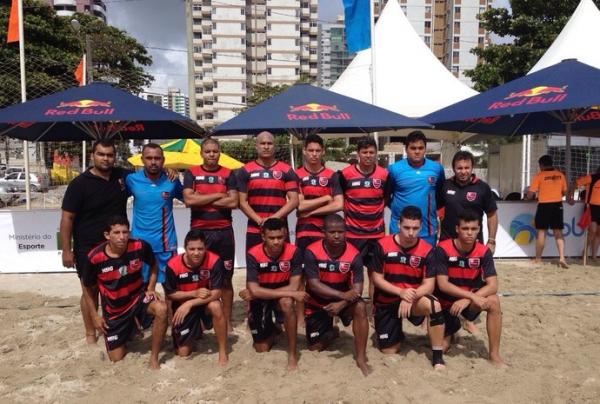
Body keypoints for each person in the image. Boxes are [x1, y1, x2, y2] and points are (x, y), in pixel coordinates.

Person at [60, 139, 131, 344]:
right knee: (90, 291)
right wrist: (66, 250)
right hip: (88, 247)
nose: (106, 158)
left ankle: (122, 327)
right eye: (101, 154)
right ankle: (90, 333)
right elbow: (67, 218)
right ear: (92, 156)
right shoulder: (79, 184)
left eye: (110, 155)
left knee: (119, 287)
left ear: (114, 156)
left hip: (117, 245)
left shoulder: (121, 176)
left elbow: (148, 173)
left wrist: (169, 171)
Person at [81, 215, 168, 369]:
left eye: (125, 232)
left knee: (162, 308)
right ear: (107, 235)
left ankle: (154, 358)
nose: (122, 237)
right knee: (116, 358)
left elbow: (154, 265)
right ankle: (130, 329)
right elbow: (87, 287)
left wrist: (151, 288)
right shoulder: (94, 258)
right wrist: (94, 315)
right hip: (115, 312)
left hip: (138, 299)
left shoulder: (140, 246)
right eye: (116, 233)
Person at [372, 206, 446, 369]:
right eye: (406, 227)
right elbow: (377, 279)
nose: (411, 233)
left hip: (413, 300)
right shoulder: (382, 245)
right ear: (399, 224)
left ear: (421, 227)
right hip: (387, 302)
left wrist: (409, 296)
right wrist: (401, 293)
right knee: (390, 350)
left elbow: (429, 285)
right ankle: (396, 333)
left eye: (415, 228)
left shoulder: (427, 250)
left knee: (434, 304)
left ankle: (437, 357)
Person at [433, 209, 505, 366]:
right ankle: (451, 331)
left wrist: (467, 299)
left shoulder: (483, 251)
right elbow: (442, 284)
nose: (469, 233)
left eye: (473, 229)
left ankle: (494, 355)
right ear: (457, 229)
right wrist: (471, 296)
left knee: (494, 301)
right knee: (443, 348)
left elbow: (493, 285)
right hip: (446, 304)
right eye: (465, 229)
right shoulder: (443, 249)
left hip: (468, 303)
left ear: (479, 230)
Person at [438, 150, 498, 336]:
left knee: (473, 282)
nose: (463, 171)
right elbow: (438, 210)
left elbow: (492, 215)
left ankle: (467, 318)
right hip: (448, 242)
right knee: (447, 283)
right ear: (453, 168)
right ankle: (449, 319)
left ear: (472, 168)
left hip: (473, 244)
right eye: (459, 168)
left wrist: (492, 240)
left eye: (466, 168)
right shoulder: (445, 185)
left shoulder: (482, 188)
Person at [303, 214, 372, 376]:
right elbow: (313, 284)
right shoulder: (311, 251)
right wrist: (342, 295)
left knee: (361, 306)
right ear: (323, 232)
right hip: (318, 303)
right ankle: (331, 331)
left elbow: (357, 290)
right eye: (331, 232)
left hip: (344, 303)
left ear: (346, 232)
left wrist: (341, 303)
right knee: (315, 347)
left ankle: (361, 357)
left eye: (340, 232)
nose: (336, 235)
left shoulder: (354, 254)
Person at [183, 138, 238, 331]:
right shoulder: (191, 173)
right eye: (208, 151)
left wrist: (202, 199)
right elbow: (189, 200)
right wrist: (218, 195)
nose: (211, 155)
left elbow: (233, 203)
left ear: (219, 152)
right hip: (200, 232)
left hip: (224, 232)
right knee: (199, 277)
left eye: (215, 151)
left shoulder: (229, 173)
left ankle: (228, 319)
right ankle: (199, 317)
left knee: (225, 278)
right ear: (201, 153)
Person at [239, 218, 306, 370]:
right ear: (263, 237)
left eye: (280, 237)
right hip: (261, 299)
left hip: (276, 297)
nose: (276, 242)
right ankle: (274, 330)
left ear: (285, 235)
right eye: (271, 238)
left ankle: (292, 352)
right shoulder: (253, 254)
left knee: (287, 303)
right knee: (261, 348)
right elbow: (254, 289)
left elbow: (294, 286)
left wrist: (257, 293)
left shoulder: (294, 251)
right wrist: (256, 293)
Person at [295, 133, 343, 325]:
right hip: (304, 232)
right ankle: (300, 317)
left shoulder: (332, 176)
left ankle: (327, 315)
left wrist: (311, 208)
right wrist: (325, 199)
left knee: (326, 275)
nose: (314, 154)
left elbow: (339, 204)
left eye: (317, 151)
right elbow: (299, 206)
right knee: (302, 275)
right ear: (304, 151)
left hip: (325, 234)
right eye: (310, 150)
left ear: (323, 152)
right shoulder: (296, 174)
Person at [163, 230, 228, 364]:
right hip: (182, 306)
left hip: (203, 303)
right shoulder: (172, 264)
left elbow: (217, 293)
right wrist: (192, 294)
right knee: (183, 353)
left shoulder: (215, 260)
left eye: (200, 249)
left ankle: (223, 350)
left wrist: (190, 303)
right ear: (185, 248)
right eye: (192, 249)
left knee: (216, 305)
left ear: (205, 248)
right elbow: (170, 294)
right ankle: (195, 330)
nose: (196, 253)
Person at [338, 136, 389, 297]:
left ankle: (374, 312)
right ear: (358, 153)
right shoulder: (345, 174)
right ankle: (351, 308)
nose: (368, 155)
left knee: (375, 276)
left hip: (376, 235)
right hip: (353, 235)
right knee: (351, 274)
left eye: (371, 152)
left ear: (376, 153)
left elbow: (386, 199)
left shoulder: (384, 175)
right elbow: (341, 200)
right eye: (364, 152)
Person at [126, 143, 183, 284]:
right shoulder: (131, 180)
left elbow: (190, 199)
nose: (153, 162)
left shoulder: (172, 180)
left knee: (171, 288)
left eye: (157, 158)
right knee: (141, 288)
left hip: (166, 245)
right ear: (142, 160)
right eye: (149, 158)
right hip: (140, 244)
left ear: (163, 160)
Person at [238, 131, 299, 250]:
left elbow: (294, 200)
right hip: (255, 228)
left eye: (269, 143)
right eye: (262, 143)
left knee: (283, 266)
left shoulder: (287, 170)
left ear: (274, 147)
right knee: (254, 264)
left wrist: (273, 218)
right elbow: (241, 202)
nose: (266, 146)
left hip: (279, 230)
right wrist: (259, 221)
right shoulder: (245, 171)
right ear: (256, 146)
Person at [388, 131, 445, 246]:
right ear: (406, 149)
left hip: (426, 231)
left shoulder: (436, 169)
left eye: (420, 148)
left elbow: (440, 195)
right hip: (399, 231)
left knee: (426, 263)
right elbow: (387, 196)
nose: (417, 151)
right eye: (413, 148)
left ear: (425, 149)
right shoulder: (394, 169)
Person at [526, 155, 568, 268]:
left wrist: (527, 197)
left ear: (542, 165)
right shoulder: (560, 175)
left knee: (541, 233)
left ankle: (538, 259)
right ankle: (562, 258)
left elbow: (530, 195)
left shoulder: (539, 175)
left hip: (544, 206)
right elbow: (564, 192)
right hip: (557, 205)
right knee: (558, 233)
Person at [569, 166, 600, 259]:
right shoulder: (592, 177)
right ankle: (584, 252)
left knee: (599, 233)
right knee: (592, 231)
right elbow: (575, 183)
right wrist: (572, 197)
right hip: (591, 207)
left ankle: (594, 256)